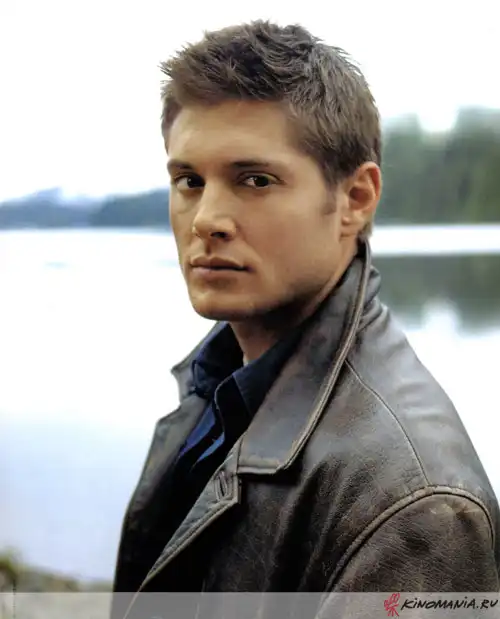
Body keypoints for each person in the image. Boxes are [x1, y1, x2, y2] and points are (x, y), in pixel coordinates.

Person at [111, 20, 500, 619]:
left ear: (355, 199)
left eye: (255, 180)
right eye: (189, 180)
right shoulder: (217, 385)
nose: (206, 218)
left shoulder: (420, 506)